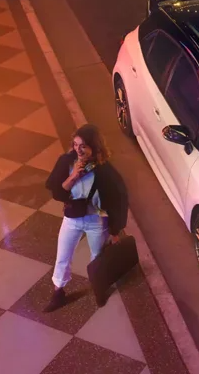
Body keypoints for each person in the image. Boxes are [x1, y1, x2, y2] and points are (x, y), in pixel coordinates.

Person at [44, 124, 128, 312]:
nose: (78, 150)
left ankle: (99, 289)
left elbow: (119, 200)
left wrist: (115, 231)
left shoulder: (105, 170)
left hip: (96, 221)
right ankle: (58, 292)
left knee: (97, 259)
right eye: (75, 145)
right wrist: (73, 176)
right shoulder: (66, 162)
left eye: (83, 146)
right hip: (72, 218)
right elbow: (57, 192)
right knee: (63, 255)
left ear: (94, 147)